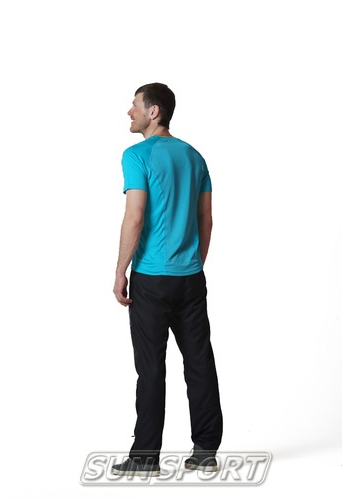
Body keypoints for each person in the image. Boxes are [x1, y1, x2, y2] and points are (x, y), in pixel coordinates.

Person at [111, 83, 223, 477]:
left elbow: (135, 216)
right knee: (199, 362)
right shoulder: (194, 156)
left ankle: (145, 458)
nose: (129, 112)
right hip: (190, 278)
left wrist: (120, 270)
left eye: (135, 105)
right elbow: (206, 219)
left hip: (152, 279)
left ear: (154, 111)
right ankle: (206, 450)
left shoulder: (137, 155)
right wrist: (193, 262)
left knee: (151, 368)